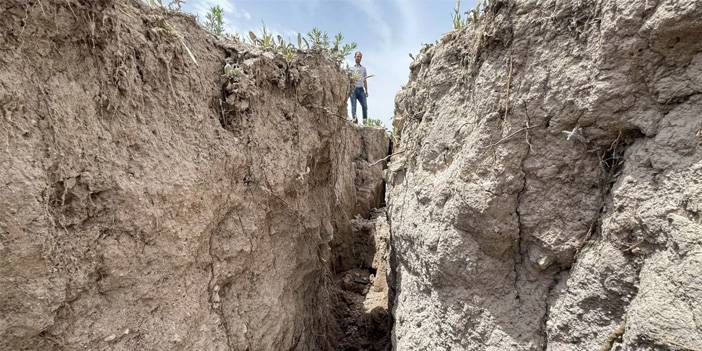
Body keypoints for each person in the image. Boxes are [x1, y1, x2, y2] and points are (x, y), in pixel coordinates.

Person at [350, 51, 368, 124]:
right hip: (353, 89)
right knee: (353, 106)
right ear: (354, 57)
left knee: (365, 106)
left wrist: (366, 91)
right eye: (357, 56)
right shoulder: (351, 68)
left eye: (360, 57)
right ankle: (354, 119)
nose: (359, 58)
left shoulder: (364, 69)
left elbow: (365, 80)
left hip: (361, 89)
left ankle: (365, 120)